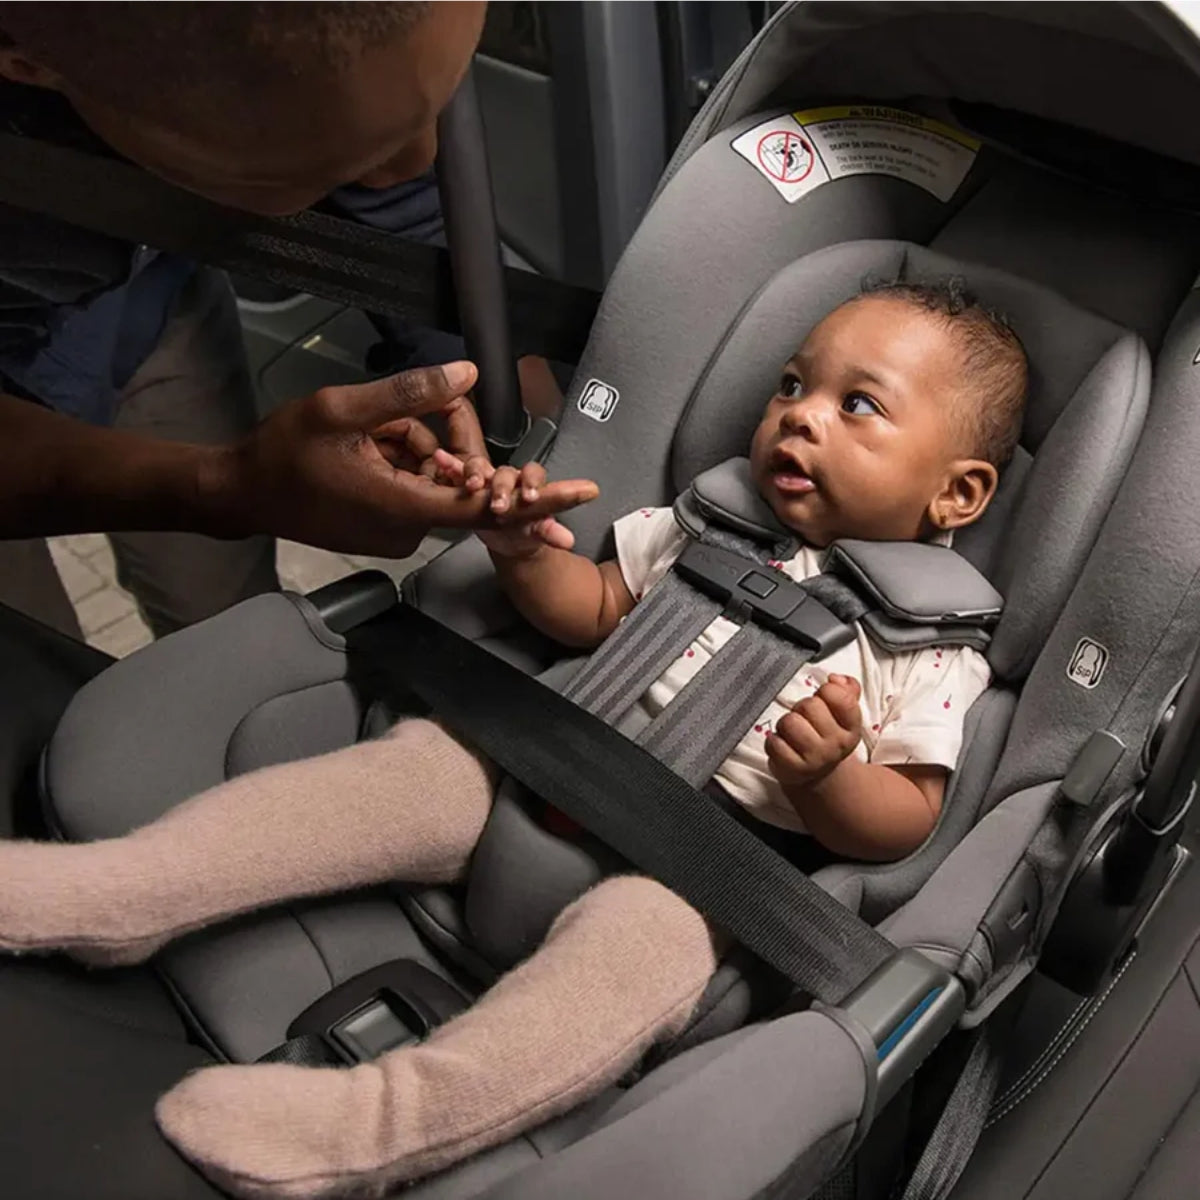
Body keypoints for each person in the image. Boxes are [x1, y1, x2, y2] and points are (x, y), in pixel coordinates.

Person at [0, 281, 1029, 1199]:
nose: (799, 414)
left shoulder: (926, 652)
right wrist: (521, 552)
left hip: (700, 875)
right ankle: (122, 889)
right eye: (793, 385)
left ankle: (370, 1127)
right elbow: (594, 610)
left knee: (628, 970)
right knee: (404, 772)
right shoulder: (708, 524)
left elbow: (907, 820)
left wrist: (830, 780)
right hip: (536, 763)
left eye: (858, 405)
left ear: (958, 493)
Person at [0, 2, 580, 639]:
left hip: (157, 303)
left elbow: (419, 217)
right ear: (29, 65)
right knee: (36, 659)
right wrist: (226, 483)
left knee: (227, 612)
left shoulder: (276, 69)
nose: (417, 163)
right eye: (324, 161)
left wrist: (554, 441)